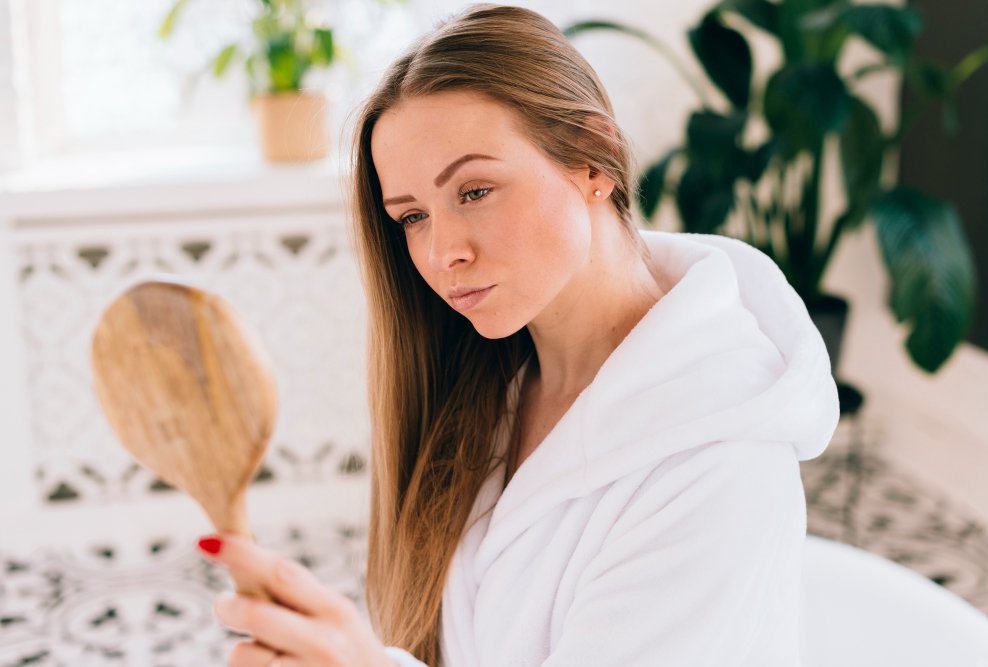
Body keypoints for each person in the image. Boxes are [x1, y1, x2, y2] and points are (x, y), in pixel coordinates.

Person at [195, 4, 841, 666]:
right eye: (412, 215)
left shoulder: (719, 466)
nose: (443, 252)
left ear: (595, 159)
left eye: (474, 191)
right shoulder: (487, 382)